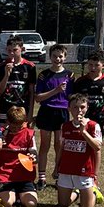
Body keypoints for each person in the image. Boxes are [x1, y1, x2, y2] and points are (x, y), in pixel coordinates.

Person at [33, 44, 73, 192]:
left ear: (65, 57)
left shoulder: (70, 75)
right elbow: (38, 97)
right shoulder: (44, 75)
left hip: (62, 113)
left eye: (60, 56)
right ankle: (41, 178)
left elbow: (71, 97)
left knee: (60, 145)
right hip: (47, 111)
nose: (58, 59)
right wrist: (55, 91)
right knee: (45, 145)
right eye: (55, 56)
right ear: (50, 57)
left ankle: (59, 176)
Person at [56, 94, 103, 207]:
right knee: (63, 205)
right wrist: (56, 167)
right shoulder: (65, 126)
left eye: (82, 107)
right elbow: (62, 148)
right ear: (69, 109)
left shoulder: (93, 126)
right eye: (75, 107)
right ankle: (77, 193)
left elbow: (97, 147)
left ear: (87, 108)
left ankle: (93, 192)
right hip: (66, 169)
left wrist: (84, 132)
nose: (79, 110)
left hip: (84, 172)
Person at [0, 106, 38, 207]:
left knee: (31, 204)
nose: (16, 129)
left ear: (24, 122)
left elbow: (35, 156)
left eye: (19, 126)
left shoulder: (29, 134)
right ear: (7, 121)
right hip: (4, 175)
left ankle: (19, 195)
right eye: (13, 126)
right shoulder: (0, 134)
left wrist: (32, 157)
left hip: (24, 175)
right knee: (7, 203)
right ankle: (10, 193)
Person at [72, 49, 104, 142]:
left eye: (97, 65)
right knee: (83, 142)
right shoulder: (81, 81)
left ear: (103, 65)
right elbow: (75, 99)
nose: (93, 68)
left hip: (102, 118)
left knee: (97, 144)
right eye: (90, 65)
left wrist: (100, 105)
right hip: (84, 117)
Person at [0, 36, 36, 123]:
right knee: (4, 134)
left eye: (15, 50)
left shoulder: (30, 67)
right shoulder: (2, 66)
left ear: (22, 49)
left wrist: (30, 113)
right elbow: (0, 90)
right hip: (5, 108)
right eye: (9, 50)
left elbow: (31, 92)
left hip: (22, 108)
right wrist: (6, 74)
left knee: (21, 134)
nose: (12, 53)